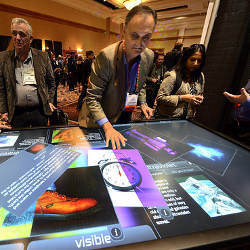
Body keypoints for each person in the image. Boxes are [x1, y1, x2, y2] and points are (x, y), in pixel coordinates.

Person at [78, 5, 157, 149]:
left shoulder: (149, 56)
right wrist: (108, 127)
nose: (139, 44)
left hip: (125, 112)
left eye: (146, 37)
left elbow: (141, 83)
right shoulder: (106, 57)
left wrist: (143, 103)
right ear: (124, 32)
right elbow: (92, 98)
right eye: (134, 36)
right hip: (99, 119)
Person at [0, 18, 56, 129]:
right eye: (14, 34)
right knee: (19, 144)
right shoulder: (3, 57)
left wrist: (49, 101)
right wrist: (3, 110)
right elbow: (1, 87)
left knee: (41, 143)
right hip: (16, 112)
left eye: (22, 34)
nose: (17, 38)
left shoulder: (42, 57)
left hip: (39, 111)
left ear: (30, 39)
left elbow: (51, 83)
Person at [156, 44, 206, 119]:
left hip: (189, 119)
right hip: (169, 119)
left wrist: (199, 99)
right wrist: (182, 98)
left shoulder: (200, 76)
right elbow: (160, 98)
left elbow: (200, 93)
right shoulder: (173, 75)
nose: (196, 63)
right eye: (192, 59)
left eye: (199, 61)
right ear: (185, 59)